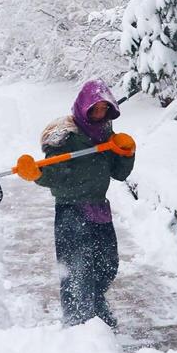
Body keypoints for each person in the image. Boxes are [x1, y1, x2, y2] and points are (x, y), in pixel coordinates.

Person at [15, 79, 136, 328]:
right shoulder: (66, 139)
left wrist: (126, 153)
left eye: (104, 109)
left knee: (107, 265)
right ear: (84, 107)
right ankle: (78, 322)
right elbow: (55, 174)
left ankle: (96, 305)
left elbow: (119, 173)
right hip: (71, 210)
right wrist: (37, 173)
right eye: (95, 109)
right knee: (76, 270)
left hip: (100, 209)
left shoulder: (106, 136)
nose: (100, 114)